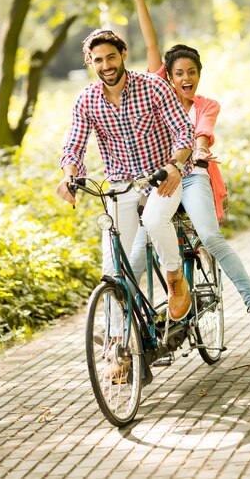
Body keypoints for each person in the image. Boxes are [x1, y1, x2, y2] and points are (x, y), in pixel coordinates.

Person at [129, 0, 250, 326]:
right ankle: (122, 324)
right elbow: (151, 46)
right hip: (161, 177)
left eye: (192, 71)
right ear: (168, 76)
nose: (186, 78)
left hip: (192, 175)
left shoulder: (206, 105)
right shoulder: (157, 90)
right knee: (136, 250)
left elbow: (203, 132)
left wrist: (201, 149)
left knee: (209, 235)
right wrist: (140, 1)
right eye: (179, 73)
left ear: (199, 73)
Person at [56, 28, 195, 323]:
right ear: (89, 62)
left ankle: (174, 278)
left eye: (111, 57)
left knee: (155, 219)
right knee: (112, 267)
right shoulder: (86, 101)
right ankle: (118, 348)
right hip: (120, 186)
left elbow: (184, 130)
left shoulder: (153, 86)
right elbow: (73, 145)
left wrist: (174, 165)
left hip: (161, 177)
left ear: (123, 55)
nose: (106, 65)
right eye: (98, 60)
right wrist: (69, 176)